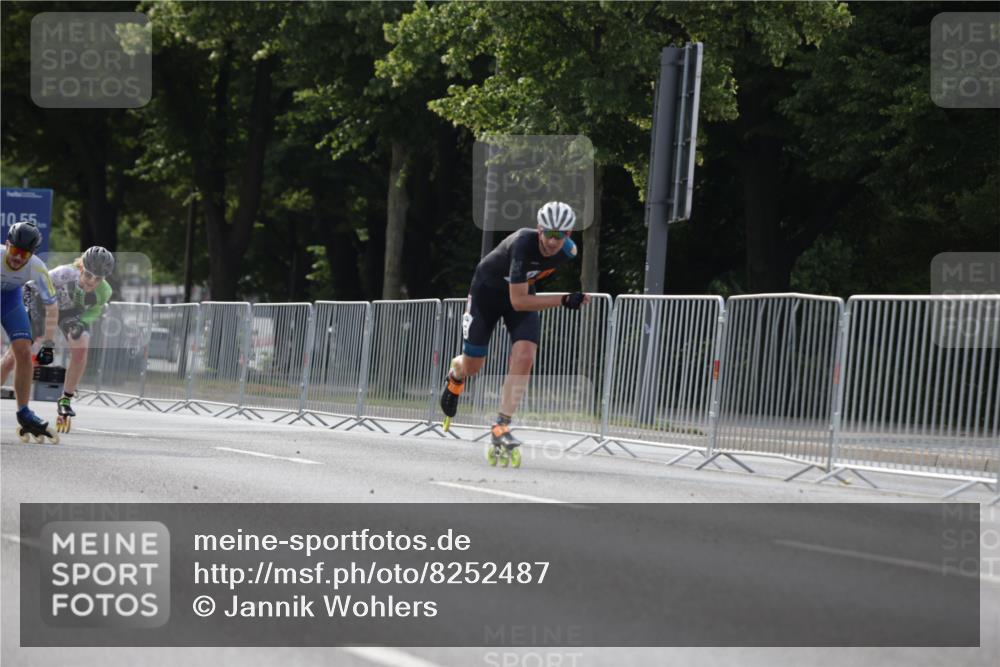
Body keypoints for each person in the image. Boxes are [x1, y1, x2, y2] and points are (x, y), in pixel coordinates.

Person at [439, 201, 590, 466]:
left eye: (562, 234)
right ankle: (456, 372)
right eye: (550, 233)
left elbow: (523, 295)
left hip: (520, 293)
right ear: (539, 229)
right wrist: (564, 299)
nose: (554, 241)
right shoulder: (523, 243)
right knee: (474, 365)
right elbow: (520, 301)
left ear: (570, 234)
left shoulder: (569, 251)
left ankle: (501, 426)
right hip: (487, 294)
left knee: (525, 354)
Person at [1, 246, 114, 432]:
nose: (91, 282)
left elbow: (93, 311)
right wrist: (28, 315)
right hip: (42, 306)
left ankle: (66, 398)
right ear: (80, 268)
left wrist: (82, 322)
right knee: (14, 357)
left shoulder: (104, 291)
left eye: (98, 279)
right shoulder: (64, 273)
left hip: (69, 313)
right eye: (88, 275)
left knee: (81, 344)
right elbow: (29, 287)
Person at [0, 222, 60, 442]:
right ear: (7, 244)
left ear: (32, 254)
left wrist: (49, 344)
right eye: (14, 250)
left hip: (10, 301)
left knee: (24, 352)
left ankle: (24, 411)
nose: (17, 257)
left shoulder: (37, 267)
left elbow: (52, 306)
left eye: (24, 254)